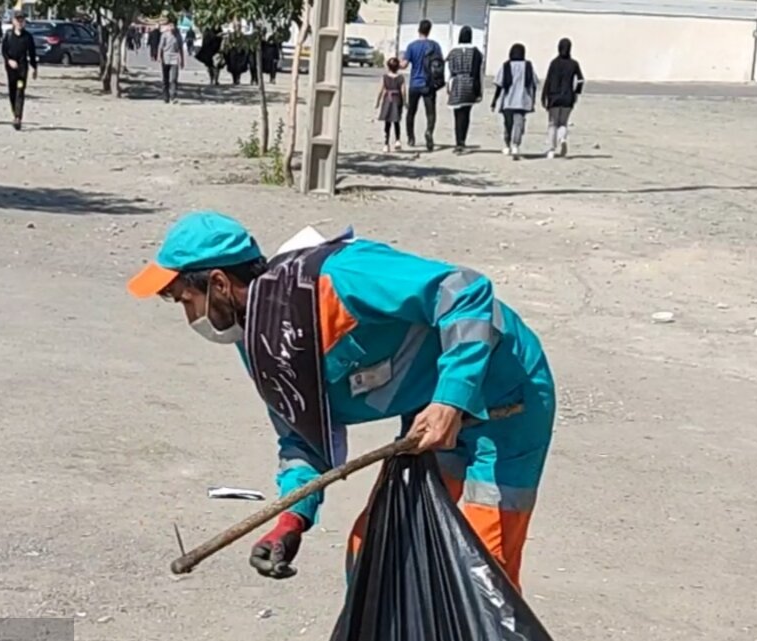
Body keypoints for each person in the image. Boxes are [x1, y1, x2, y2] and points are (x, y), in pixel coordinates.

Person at [126, 212, 556, 592]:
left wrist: (450, 399)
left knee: (482, 574)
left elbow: (464, 289)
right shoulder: (259, 342)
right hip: (430, 420)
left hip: (507, 398)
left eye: (186, 300)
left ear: (218, 283)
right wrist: (291, 521)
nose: (188, 317)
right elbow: (303, 439)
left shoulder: (339, 277)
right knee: (373, 555)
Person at [400, 19, 443, 151]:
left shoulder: (412, 46)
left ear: (419, 29)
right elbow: (439, 63)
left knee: (411, 112)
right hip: (429, 84)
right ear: (429, 30)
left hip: (415, 83)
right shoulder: (435, 46)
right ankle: (429, 131)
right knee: (430, 112)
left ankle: (411, 138)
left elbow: (404, 65)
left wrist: (396, 62)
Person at [492, 42, 538, 158]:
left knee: (508, 124)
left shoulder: (506, 66)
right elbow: (533, 84)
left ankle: (507, 145)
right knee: (519, 124)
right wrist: (533, 100)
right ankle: (515, 145)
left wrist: (494, 101)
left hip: (507, 100)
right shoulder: (528, 66)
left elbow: (499, 85)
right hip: (522, 100)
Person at [542, 37, 584, 158]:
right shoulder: (574, 64)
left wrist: (544, 96)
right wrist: (576, 93)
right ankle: (562, 139)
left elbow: (548, 81)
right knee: (563, 123)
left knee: (552, 124)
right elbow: (580, 80)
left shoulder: (554, 63)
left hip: (554, 97)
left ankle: (551, 150)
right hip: (568, 97)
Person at [445, 26, 483, 152]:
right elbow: (479, 73)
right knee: (466, 114)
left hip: (456, 82)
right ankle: (462, 141)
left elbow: (448, 71)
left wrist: (448, 85)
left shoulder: (453, 51)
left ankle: (458, 141)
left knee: (457, 115)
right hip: (470, 83)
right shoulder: (476, 52)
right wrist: (480, 91)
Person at [1, 9, 37, 129]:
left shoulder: (28, 37)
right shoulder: (8, 35)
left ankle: (18, 117)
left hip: (22, 69)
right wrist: (9, 61)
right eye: (18, 20)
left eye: (22, 20)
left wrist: (34, 68)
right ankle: (15, 112)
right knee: (12, 91)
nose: (20, 22)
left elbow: (32, 53)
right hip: (11, 69)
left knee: (20, 91)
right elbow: (4, 51)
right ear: (13, 21)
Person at [375, 56, 404, 153]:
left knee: (387, 123)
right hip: (397, 100)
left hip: (388, 99)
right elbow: (403, 91)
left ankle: (386, 144)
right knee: (396, 121)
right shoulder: (400, 78)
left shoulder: (385, 77)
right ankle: (397, 140)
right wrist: (405, 101)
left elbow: (380, 90)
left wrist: (378, 101)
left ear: (388, 67)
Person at [158, 19, 184, 103]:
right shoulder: (164, 35)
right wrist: (159, 56)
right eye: (170, 26)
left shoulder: (178, 36)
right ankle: (166, 96)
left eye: (173, 26)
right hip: (165, 58)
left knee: (174, 79)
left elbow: (181, 49)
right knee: (165, 79)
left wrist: (182, 60)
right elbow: (160, 47)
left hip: (174, 58)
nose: (172, 27)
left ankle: (173, 96)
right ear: (168, 26)